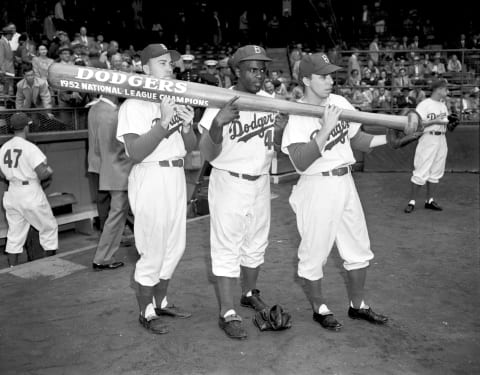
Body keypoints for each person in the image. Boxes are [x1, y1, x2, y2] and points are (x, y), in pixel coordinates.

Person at [281, 53, 389, 331]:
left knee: (358, 248)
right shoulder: (298, 114)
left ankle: (357, 306)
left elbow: (359, 141)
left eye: (331, 75)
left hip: (345, 181)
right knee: (314, 252)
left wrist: (391, 139)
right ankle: (319, 308)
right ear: (306, 80)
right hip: (317, 185)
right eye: (323, 76)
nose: (330, 80)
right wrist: (325, 130)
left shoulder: (339, 102)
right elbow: (300, 161)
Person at [198, 45, 288, 340]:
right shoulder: (218, 102)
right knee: (226, 247)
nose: (259, 75)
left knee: (256, 244)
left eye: (262, 69)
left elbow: (274, 146)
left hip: (260, 181)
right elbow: (207, 154)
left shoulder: (270, 101)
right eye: (252, 69)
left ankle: (248, 293)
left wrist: (280, 132)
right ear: (236, 71)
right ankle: (227, 311)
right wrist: (216, 125)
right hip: (229, 181)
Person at [116, 43, 197, 334]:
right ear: (144, 68)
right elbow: (135, 152)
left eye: (170, 64)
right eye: (162, 63)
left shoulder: (174, 99)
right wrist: (163, 123)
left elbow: (192, 148)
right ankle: (146, 310)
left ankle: (161, 301)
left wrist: (188, 129)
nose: (169, 68)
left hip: (175, 175)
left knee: (175, 246)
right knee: (152, 247)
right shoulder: (132, 105)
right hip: (149, 176)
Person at [0, 113, 58, 267]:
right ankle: (51, 264)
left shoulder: (4, 147)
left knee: (15, 234)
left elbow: (1, 173)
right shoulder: (30, 147)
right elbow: (43, 173)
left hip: (12, 191)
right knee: (49, 228)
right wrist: (49, 170)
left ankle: (12, 267)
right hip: (30, 191)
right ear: (26, 127)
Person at [89, 95, 133, 270]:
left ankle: (150, 247)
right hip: (117, 170)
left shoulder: (95, 108)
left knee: (121, 213)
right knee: (117, 215)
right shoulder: (112, 114)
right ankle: (103, 257)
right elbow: (117, 147)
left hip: (102, 167)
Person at [404, 79, 454, 213]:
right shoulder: (424, 105)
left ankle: (429, 200)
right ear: (438, 89)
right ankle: (412, 201)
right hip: (428, 138)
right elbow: (417, 124)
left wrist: (451, 124)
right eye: (445, 89)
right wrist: (436, 121)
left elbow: (446, 124)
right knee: (421, 169)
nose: (447, 91)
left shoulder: (443, 105)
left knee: (436, 171)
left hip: (441, 138)